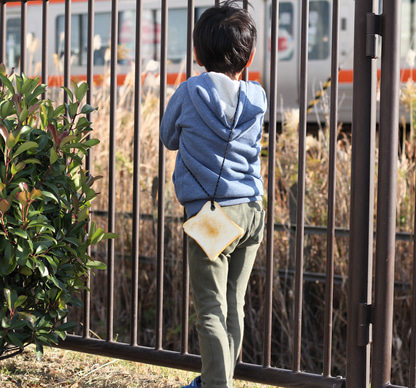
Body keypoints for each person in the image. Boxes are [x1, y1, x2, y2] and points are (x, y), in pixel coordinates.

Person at [159, 1, 266, 387]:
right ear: (250, 56)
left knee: (210, 308)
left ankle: (214, 386)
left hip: (211, 214)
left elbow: (168, 137)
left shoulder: (190, 93)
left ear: (197, 54)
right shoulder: (258, 97)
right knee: (232, 304)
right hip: (252, 209)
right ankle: (215, 380)